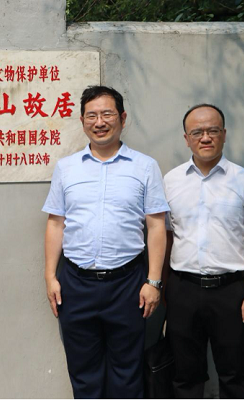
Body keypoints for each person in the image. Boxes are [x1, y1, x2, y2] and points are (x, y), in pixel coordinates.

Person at [42, 85, 170, 398]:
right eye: (92, 115)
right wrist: (50, 276)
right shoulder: (67, 168)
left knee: (127, 372)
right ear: (82, 121)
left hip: (128, 283)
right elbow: (56, 223)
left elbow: (156, 226)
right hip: (76, 283)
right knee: (83, 371)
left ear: (122, 118)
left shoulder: (144, 166)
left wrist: (154, 281)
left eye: (107, 114)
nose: (99, 122)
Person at [163, 104, 244, 398]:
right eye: (197, 132)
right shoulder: (171, 181)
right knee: (185, 375)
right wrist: (163, 287)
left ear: (224, 134)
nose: (205, 137)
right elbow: (167, 238)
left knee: (233, 374)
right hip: (182, 289)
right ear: (186, 138)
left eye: (213, 130)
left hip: (230, 292)